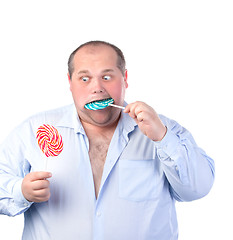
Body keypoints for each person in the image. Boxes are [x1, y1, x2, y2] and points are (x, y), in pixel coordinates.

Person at [0, 40, 215, 240]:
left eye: (107, 77)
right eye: (85, 78)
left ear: (125, 78)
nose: (97, 88)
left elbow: (199, 187)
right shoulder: (36, 129)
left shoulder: (161, 128)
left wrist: (164, 138)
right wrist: (21, 191)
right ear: (70, 82)